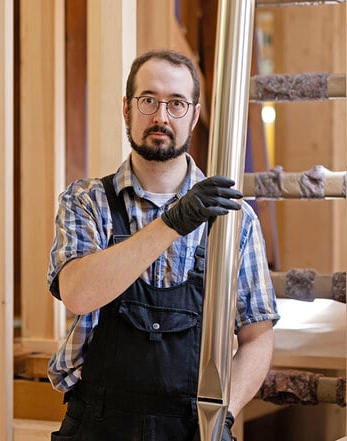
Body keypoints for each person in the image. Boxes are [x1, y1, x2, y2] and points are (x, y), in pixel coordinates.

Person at [47, 49, 279, 441]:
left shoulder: (234, 220)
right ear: (126, 108)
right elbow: (79, 294)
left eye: (176, 104)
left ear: (194, 114)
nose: (161, 117)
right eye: (148, 100)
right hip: (98, 424)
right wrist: (172, 222)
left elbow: (258, 337)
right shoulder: (86, 201)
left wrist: (222, 415)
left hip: (193, 428)